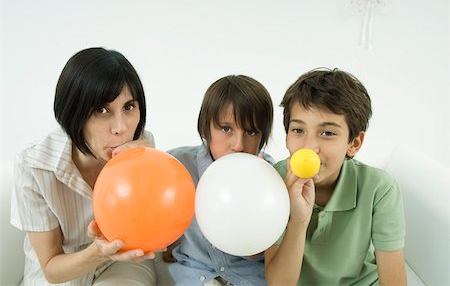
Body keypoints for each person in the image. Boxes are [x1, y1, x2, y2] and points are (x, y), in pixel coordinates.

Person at [10, 47, 169, 285]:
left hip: (118, 265)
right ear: (73, 112)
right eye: (102, 110)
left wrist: (150, 167)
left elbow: (153, 222)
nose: (121, 128)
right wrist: (98, 251)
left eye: (129, 107)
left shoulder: (142, 149)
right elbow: (52, 269)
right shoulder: (35, 166)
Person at [264, 68, 406, 285]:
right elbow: (278, 283)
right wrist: (299, 221)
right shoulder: (274, 182)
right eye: (298, 130)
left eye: (327, 133)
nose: (310, 147)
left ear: (354, 143)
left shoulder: (380, 188)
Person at [166, 75, 274, 285]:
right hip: (196, 276)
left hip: (248, 278)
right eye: (226, 129)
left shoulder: (270, 179)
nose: (239, 144)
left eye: (251, 132)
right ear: (204, 129)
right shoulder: (177, 166)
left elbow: (260, 251)